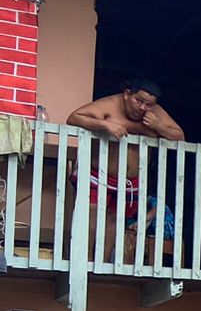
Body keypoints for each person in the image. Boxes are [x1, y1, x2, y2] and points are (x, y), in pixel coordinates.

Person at [67, 80, 184, 249]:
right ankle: (86, 263)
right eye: (139, 101)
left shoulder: (156, 113)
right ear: (127, 94)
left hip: (130, 182)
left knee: (115, 220)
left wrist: (158, 126)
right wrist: (105, 124)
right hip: (98, 174)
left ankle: (102, 269)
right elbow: (73, 118)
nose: (143, 108)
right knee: (91, 215)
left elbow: (179, 136)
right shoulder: (110, 104)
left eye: (148, 104)